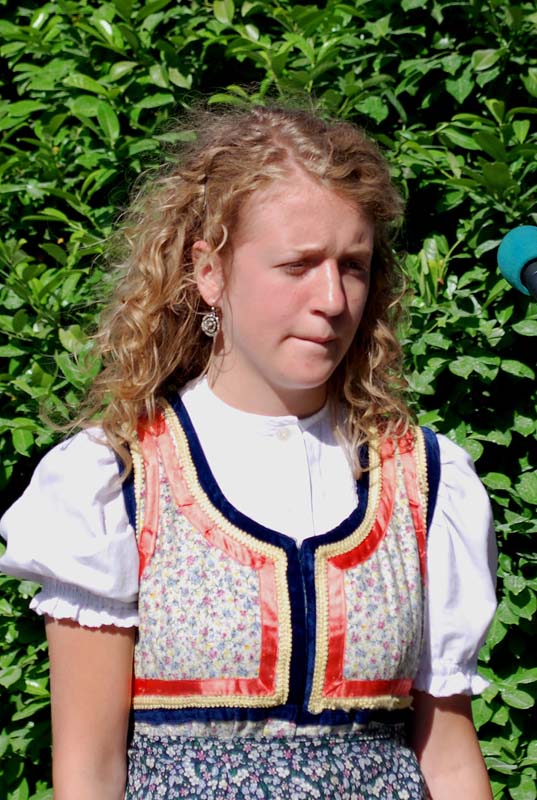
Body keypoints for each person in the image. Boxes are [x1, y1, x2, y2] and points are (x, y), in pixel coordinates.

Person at [0, 103, 497, 800]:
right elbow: (89, 771)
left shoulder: (425, 481)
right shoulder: (115, 481)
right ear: (209, 271)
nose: (332, 299)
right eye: (298, 265)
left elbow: (448, 760)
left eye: (352, 267)